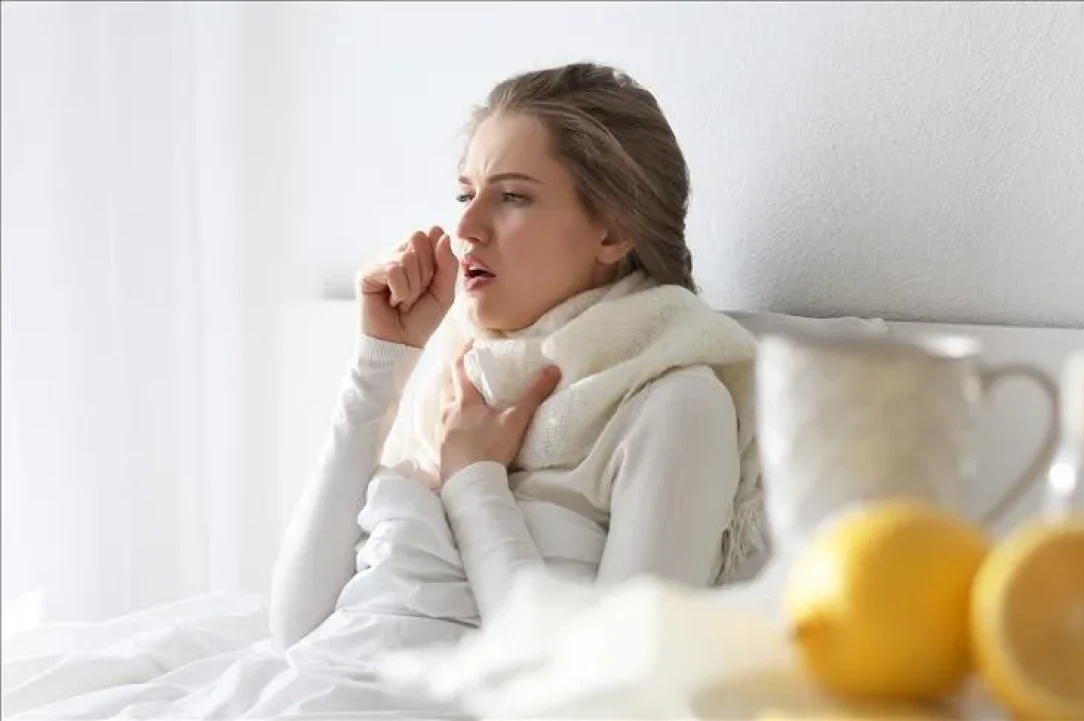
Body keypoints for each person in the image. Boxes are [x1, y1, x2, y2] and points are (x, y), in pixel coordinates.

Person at [4, 62, 763, 719]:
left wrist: (475, 482)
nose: (467, 227)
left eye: (512, 196)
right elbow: (298, 624)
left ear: (613, 231)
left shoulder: (675, 404)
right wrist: (381, 362)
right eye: (465, 193)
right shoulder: (460, 373)